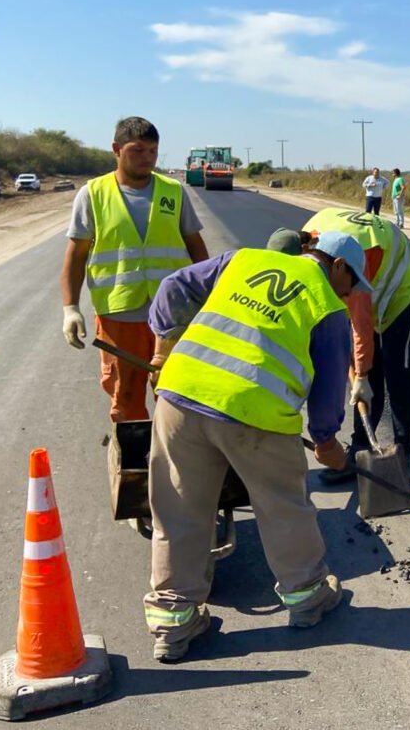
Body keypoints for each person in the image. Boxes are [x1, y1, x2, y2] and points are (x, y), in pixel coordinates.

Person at [142, 231, 373, 661]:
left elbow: (174, 285)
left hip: (180, 396)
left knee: (178, 510)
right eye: (354, 280)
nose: (353, 291)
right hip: (255, 415)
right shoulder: (327, 305)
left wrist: (163, 349)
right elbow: (326, 391)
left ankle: (173, 624)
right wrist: (327, 444)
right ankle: (307, 600)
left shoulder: (243, 259)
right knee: (284, 507)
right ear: (337, 266)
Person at [60, 116, 208, 422]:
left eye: (153, 151)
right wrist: (70, 308)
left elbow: (197, 249)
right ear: (116, 149)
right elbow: (76, 257)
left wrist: (210, 299)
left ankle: (177, 463)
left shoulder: (174, 192)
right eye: (138, 150)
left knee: (178, 396)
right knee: (125, 396)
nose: (147, 159)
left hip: (173, 316)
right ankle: (133, 467)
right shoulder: (93, 194)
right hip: (119, 316)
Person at [300, 207, 410, 482]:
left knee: (398, 371)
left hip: (401, 288)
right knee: (367, 372)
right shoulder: (308, 247)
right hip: (367, 276)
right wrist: (360, 373)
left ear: (339, 266)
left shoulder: (352, 262)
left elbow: (360, 325)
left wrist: (361, 376)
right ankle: (360, 449)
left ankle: (404, 452)